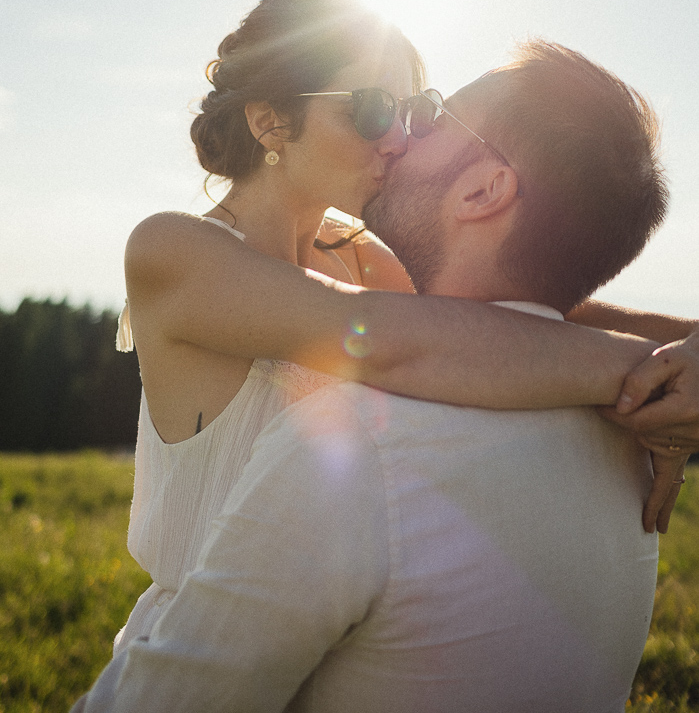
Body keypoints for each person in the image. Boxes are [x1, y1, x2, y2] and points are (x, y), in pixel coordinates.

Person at [72, 41, 693, 713]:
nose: (396, 139)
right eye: (375, 111)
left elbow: (529, 305)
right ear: (270, 122)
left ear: (485, 189)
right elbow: (406, 331)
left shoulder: (363, 395)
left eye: (421, 116)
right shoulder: (185, 249)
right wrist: (639, 372)